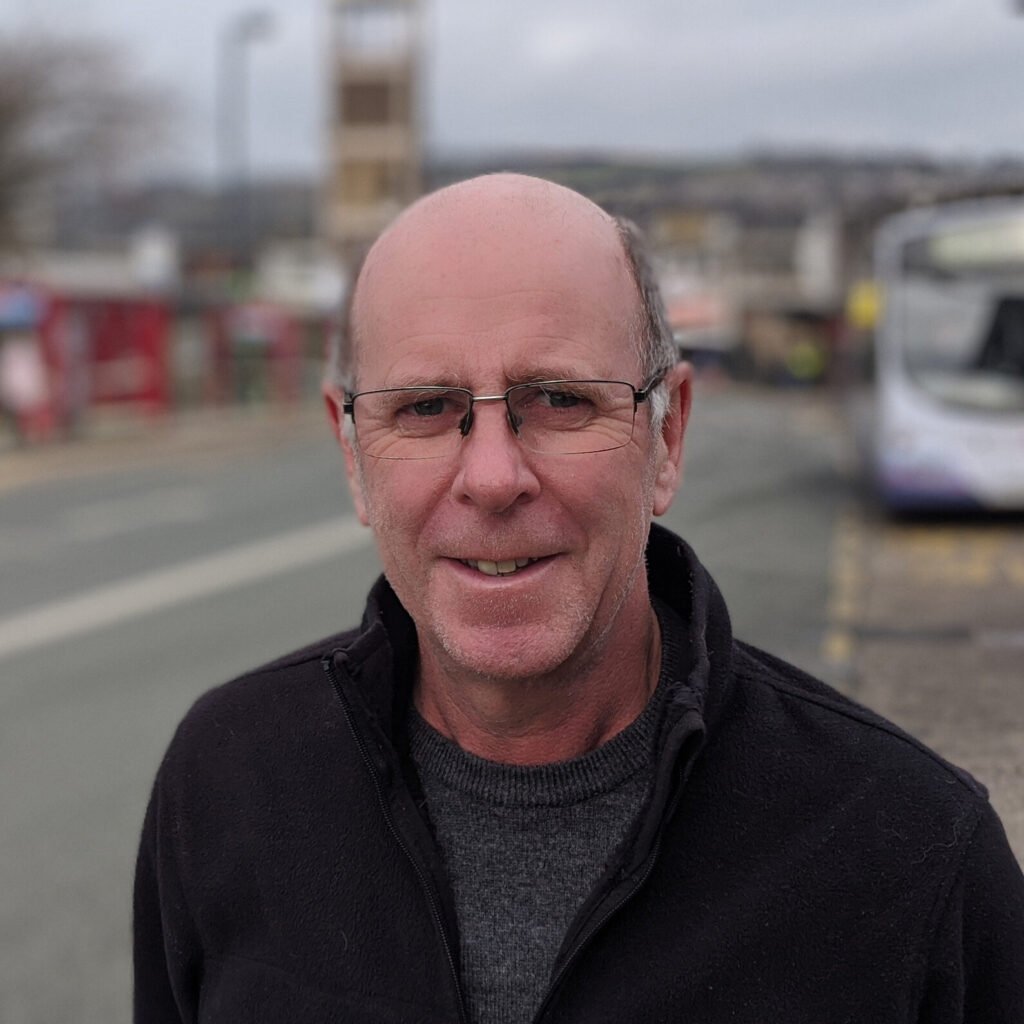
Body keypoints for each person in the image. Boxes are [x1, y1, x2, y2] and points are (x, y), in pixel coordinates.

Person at [133, 174, 1024, 1024]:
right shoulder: (225, 783)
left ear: (666, 435)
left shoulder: (912, 857)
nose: (490, 477)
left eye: (559, 399)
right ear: (352, 453)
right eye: (426, 408)